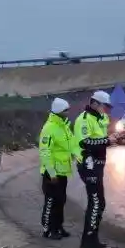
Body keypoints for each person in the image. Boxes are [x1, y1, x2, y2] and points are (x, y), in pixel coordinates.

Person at [73, 90, 113, 248]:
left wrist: (110, 138)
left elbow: (100, 139)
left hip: (98, 165)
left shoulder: (102, 118)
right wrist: (108, 141)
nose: (106, 109)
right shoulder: (83, 119)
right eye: (105, 106)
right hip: (88, 165)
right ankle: (90, 241)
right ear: (95, 103)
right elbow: (85, 142)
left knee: (98, 202)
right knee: (97, 202)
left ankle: (89, 239)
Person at [38, 98, 75, 239]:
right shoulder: (49, 128)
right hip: (51, 173)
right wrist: (51, 172)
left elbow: (71, 144)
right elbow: (45, 152)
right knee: (51, 202)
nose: (68, 112)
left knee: (61, 201)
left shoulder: (63, 126)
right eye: (66, 110)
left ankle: (58, 227)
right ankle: (48, 230)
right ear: (60, 111)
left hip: (62, 172)